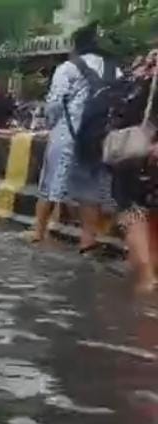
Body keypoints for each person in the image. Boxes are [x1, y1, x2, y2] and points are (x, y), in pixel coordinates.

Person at [31, 24, 119, 250]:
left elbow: (54, 104)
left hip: (67, 136)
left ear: (76, 46)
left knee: (51, 185)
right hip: (99, 137)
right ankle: (87, 241)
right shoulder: (114, 69)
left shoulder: (68, 68)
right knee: (90, 192)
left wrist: (50, 125)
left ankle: (39, 232)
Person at [110, 41, 158, 293]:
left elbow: (121, 111)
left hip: (138, 152)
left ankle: (146, 276)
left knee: (133, 212)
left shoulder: (142, 75)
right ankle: (143, 269)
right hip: (144, 152)